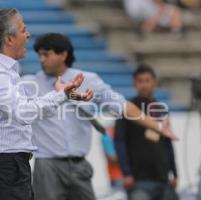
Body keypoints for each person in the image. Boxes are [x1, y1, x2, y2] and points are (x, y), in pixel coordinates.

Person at [21, 33, 177, 200]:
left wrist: (158, 127)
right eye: (39, 55)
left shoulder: (89, 80)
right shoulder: (30, 84)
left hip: (79, 164)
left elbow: (122, 106)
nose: (41, 60)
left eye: (46, 54)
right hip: (47, 165)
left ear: (63, 55)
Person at [0, 9, 93, 200]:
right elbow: (24, 112)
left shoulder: (5, 71)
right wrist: (60, 94)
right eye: (23, 29)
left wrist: (62, 95)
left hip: (11, 163)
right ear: (9, 39)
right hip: (6, 164)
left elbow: (27, 107)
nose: (28, 34)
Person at [114, 65, 178, 200]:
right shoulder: (127, 109)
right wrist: (126, 173)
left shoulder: (161, 109)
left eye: (147, 80)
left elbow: (167, 143)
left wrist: (174, 172)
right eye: (140, 81)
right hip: (138, 180)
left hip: (163, 179)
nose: (144, 85)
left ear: (154, 82)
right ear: (134, 83)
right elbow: (119, 142)